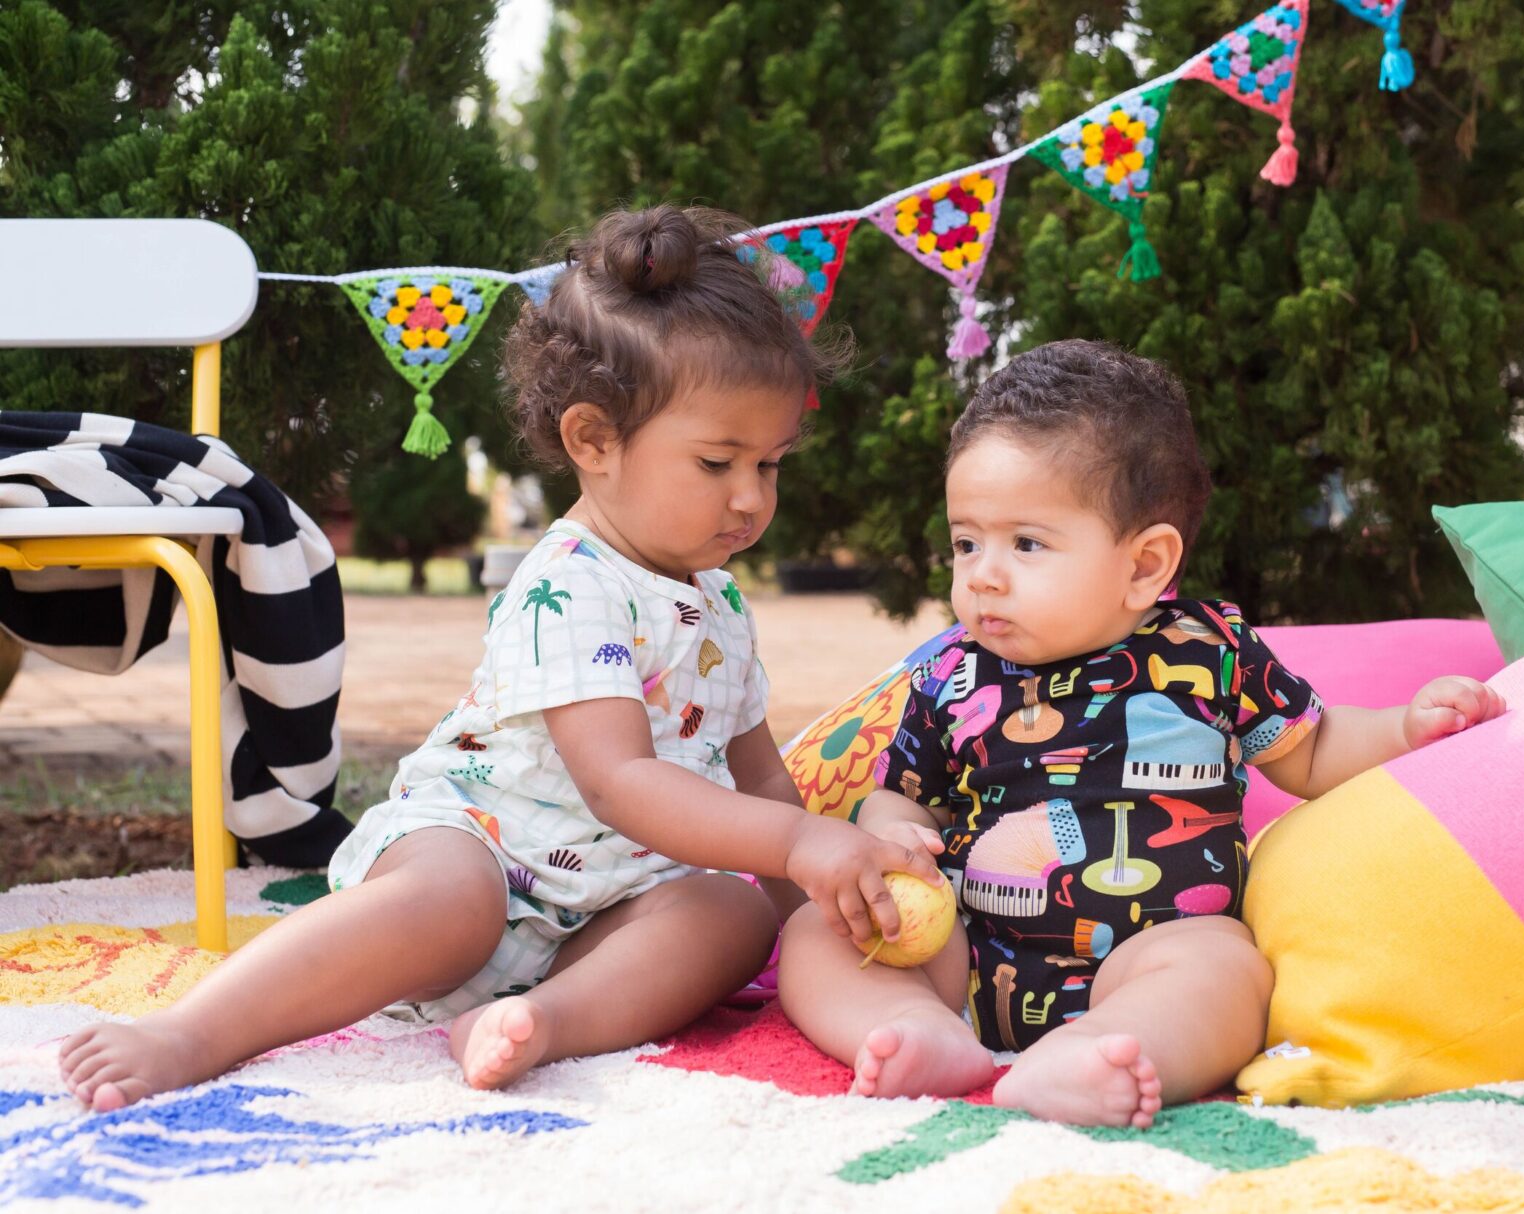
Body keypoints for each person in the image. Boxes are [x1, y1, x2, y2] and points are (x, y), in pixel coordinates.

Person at [58, 206, 942, 1112]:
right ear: (593, 441)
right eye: (718, 462)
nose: (752, 498)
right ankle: (192, 1031)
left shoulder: (719, 603)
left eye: (772, 464)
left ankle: (544, 1021)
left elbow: (758, 782)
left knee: (729, 915)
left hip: (605, 909)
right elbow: (619, 782)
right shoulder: (569, 583)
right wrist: (802, 844)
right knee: (454, 899)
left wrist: (817, 912)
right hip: (477, 847)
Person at [779, 340, 1506, 1128]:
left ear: (1144, 565)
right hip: (971, 956)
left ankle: (1101, 1050)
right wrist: (898, 841)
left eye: (1026, 543)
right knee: (815, 932)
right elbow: (901, 795)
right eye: (965, 542)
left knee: (1230, 969)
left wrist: (1407, 727)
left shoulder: (1208, 651)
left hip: (1149, 955)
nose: (982, 574)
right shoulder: (951, 674)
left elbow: (1315, 751)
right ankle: (912, 1028)